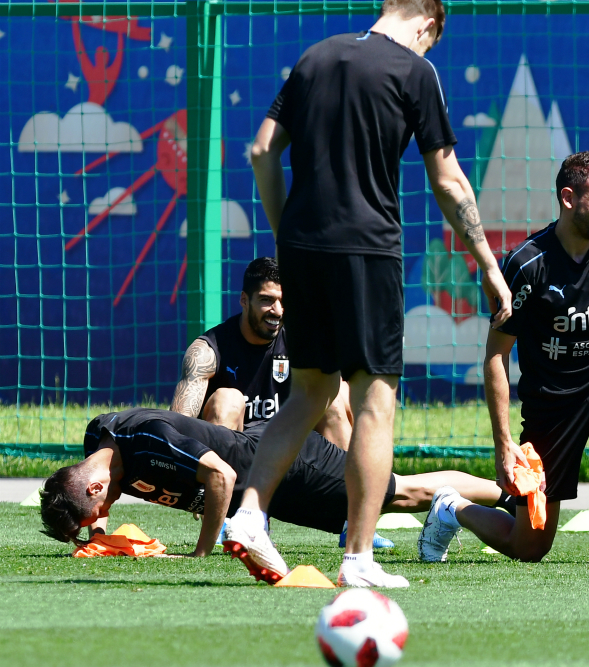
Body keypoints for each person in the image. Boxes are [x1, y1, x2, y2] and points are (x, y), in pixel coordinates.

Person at [231, 0, 512, 588]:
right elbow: (447, 178)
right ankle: (358, 558)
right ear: (428, 25)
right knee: (375, 402)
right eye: (431, 42)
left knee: (308, 392)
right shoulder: (415, 70)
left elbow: (261, 151)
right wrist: (487, 262)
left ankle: (251, 516)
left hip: (302, 248)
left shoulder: (315, 56)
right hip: (367, 249)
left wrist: (286, 233)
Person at [418, 152, 589, 565]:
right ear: (568, 197)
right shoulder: (526, 264)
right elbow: (496, 356)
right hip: (551, 404)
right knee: (531, 547)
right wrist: (503, 444)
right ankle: (452, 507)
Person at [38, 408, 516, 582]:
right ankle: (478, 501)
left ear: (97, 486)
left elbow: (221, 476)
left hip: (287, 466)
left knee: (398, 492)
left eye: (98, 511)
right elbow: (83, 493)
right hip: (272, 486)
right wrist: (94, 533)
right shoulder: (97, 446)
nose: (104, 514)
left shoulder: (146, 438)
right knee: (393, 495)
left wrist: (200, 553)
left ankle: (509, 491)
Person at [170, 257, 353, 450]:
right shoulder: (207, 351)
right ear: (244, 300)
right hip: (235, 461)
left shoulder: (303, 344)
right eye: (266, 300)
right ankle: (219, 479)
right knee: (228, 400)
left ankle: (355, 479)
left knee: (335, 396)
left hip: (290, 458)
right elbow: (178, 427)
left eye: (283, 301)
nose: (278, 311)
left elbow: (351, 409)